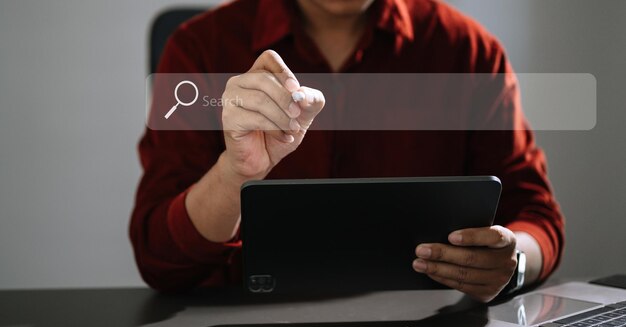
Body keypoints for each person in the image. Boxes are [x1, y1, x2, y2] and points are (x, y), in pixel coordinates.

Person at [130, 0, 564, 302]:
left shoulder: (469, 52)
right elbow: (159, 258)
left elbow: (536, 217)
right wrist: (235, 173)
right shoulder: (199, 48)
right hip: (239, 326)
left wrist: (513, 263)